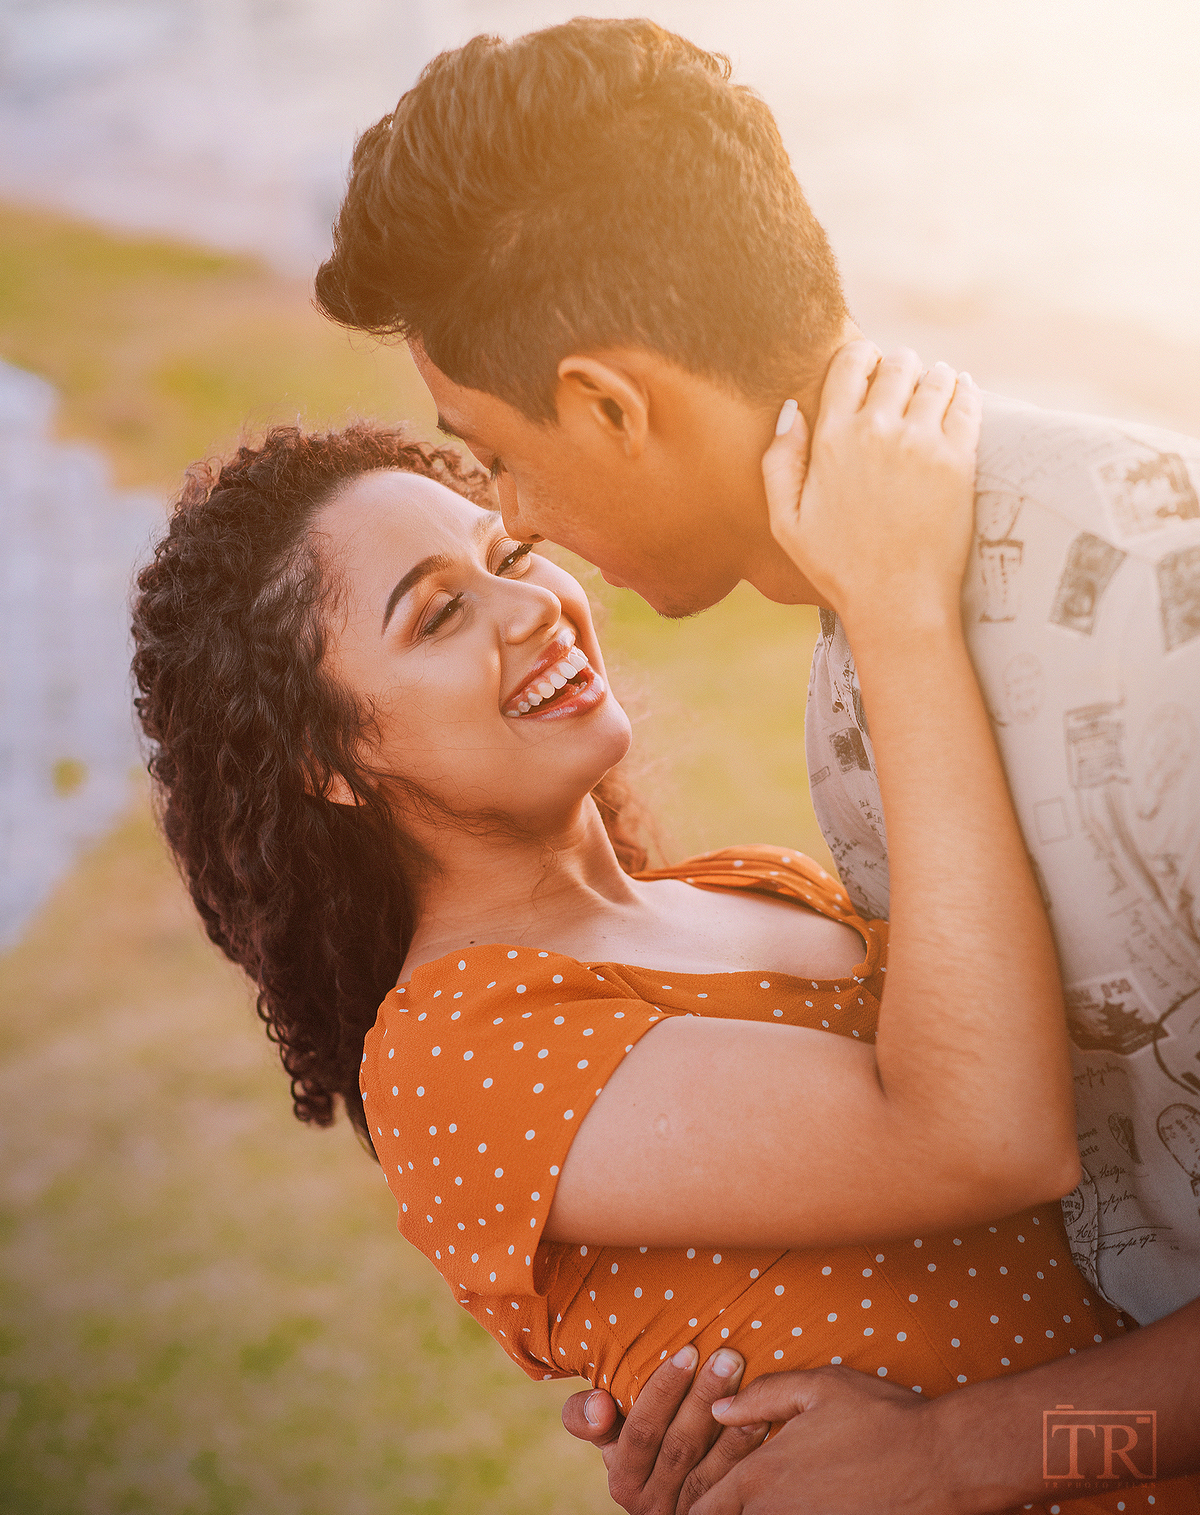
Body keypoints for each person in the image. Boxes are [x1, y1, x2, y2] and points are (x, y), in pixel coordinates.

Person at [312, 17, 1200, 1510]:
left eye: (497, 459)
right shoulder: (863, 689)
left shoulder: (1148, 605)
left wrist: (955, 1452)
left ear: (610, 402)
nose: (520, 525)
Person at [131, 379, 1197, 1513]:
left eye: (509, 555)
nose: (532, 607)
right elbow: (985, 1136)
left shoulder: (761, 887)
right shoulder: (454, 1049)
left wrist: (955, 1450)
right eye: (439, 614)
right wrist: (895, 608)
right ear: (327, 765)